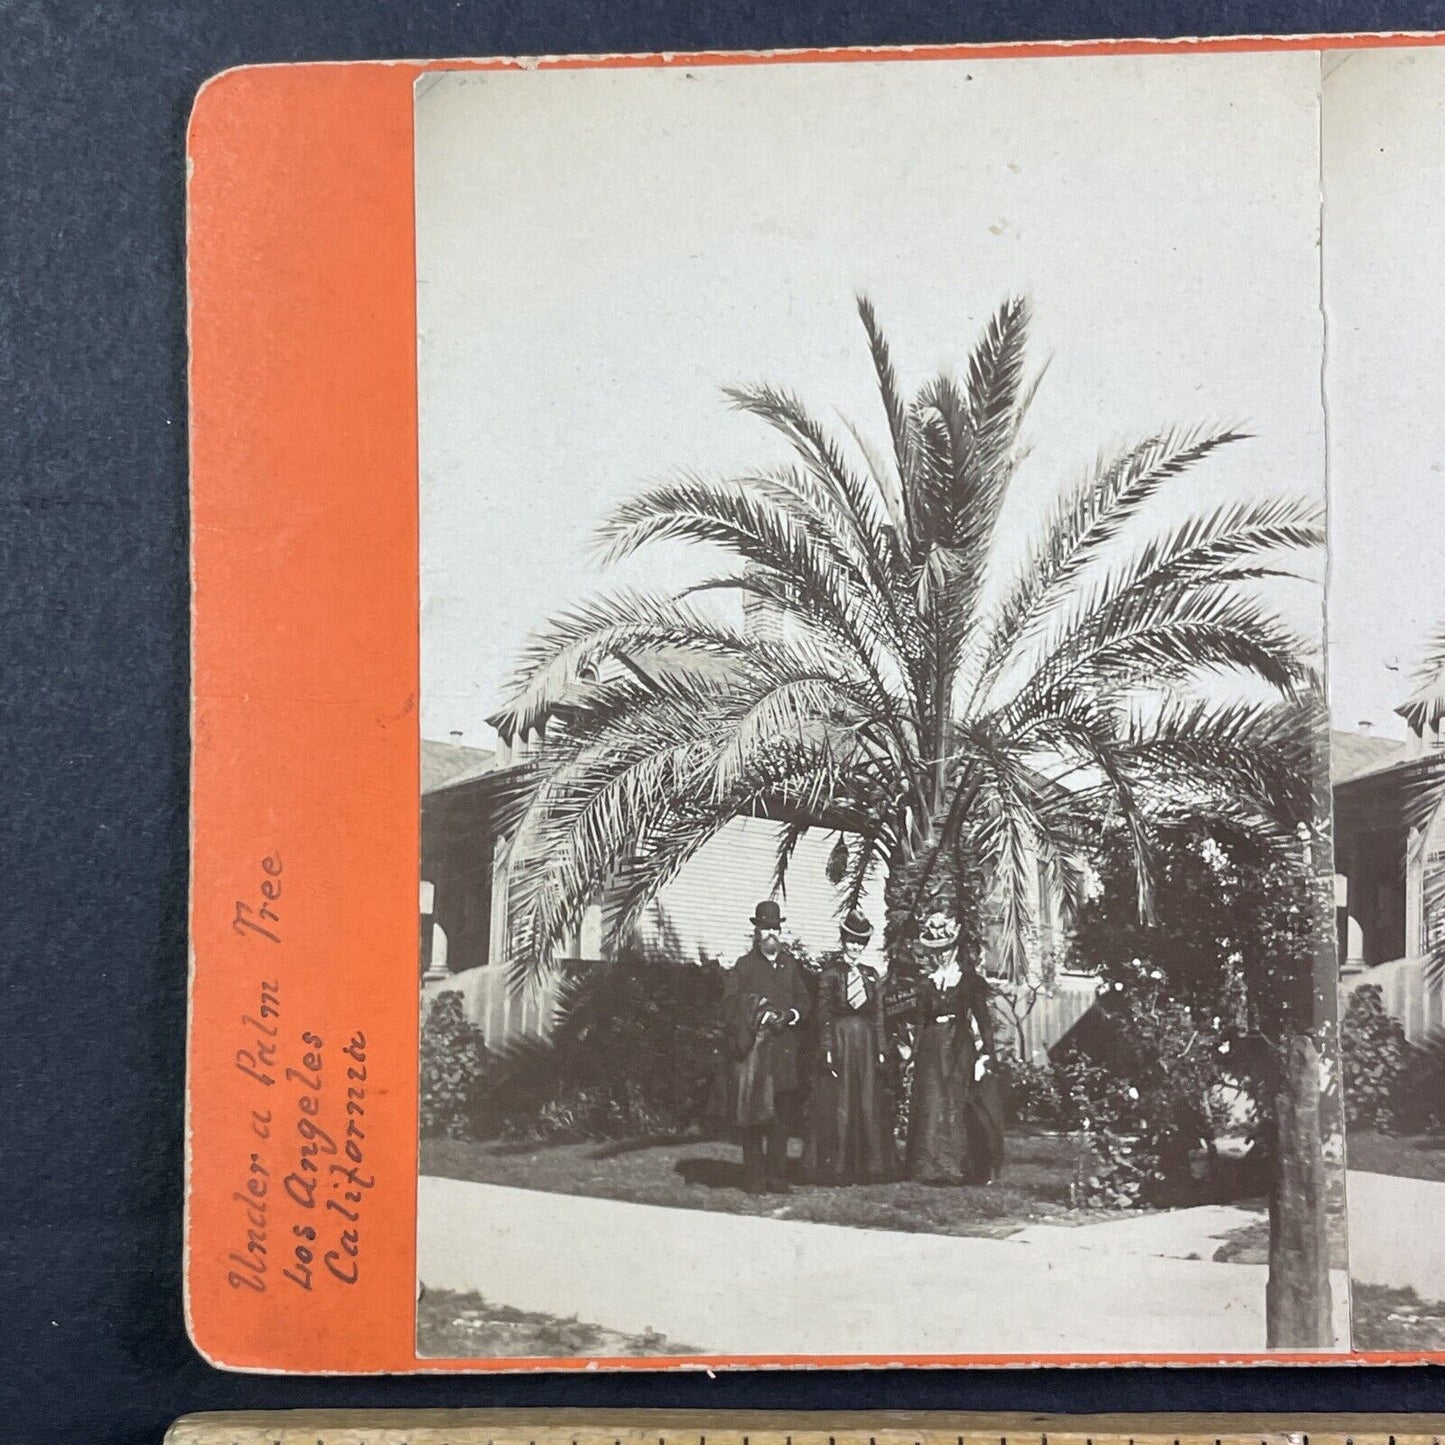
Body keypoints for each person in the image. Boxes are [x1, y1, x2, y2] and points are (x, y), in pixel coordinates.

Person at [906, 910, 1005, 1185]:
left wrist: (985, 1055)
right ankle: (930, 1168)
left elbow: (984, 1021)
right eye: (936, 950)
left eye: (946, 948)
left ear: (955, 947)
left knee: (958, 1102)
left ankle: (960, 1167)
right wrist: (913, 1056)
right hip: (931, 1050)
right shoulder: (926, 984)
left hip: (959, 1048)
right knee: (932, 1102)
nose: (942, 955)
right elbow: (920, 1022)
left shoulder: (969, 981)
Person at [722, 900, 810, 1194]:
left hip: (784, 1051)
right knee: (754, 1118)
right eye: (764, 928)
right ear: (756, 931)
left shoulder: (789, 965)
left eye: (775, 928)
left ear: (781, 931)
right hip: (756, 1055)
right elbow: (731, 1005)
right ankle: (754, 1178)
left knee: (781, 1118)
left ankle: (777, 1176)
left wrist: (792, 1015)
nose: (770, 933)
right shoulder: (744, 966)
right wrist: (759, 1014)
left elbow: (804, 1000)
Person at [810, 909, 893, 1184]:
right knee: (842, 1102)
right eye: (851, 941)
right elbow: (823, 1014)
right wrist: (827, 1048)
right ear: (843, 940)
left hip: (866, 1045)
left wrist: (881, 1048)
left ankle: (869, 1166)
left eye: (861, 942)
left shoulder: (871, 974)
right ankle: (839, 1167)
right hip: (841, 1040)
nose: (856, 947)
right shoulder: (831, 974)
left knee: (867, 1100)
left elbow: (878, 1014)